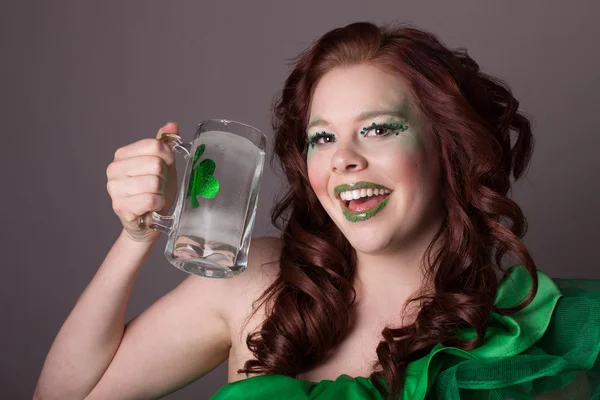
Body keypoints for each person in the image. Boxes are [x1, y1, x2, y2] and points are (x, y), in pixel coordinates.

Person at [34, 22, 600, 400]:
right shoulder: (252, 283)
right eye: (322, 138)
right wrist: (136, 237)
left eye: (378, 129)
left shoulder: (528, 337)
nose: (344, 160)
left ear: (447, 148)